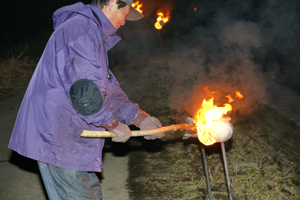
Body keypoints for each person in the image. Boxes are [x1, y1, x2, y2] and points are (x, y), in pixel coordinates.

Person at [8, 0, 165, 199]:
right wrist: (112, 124)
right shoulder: (81, 32)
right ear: (113, 3)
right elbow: (86, 92)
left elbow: (107, 89)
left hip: (73, 142)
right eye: (126, 13)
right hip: (60, 139)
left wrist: (139, 117)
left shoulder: (90, 32)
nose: (125, 22)